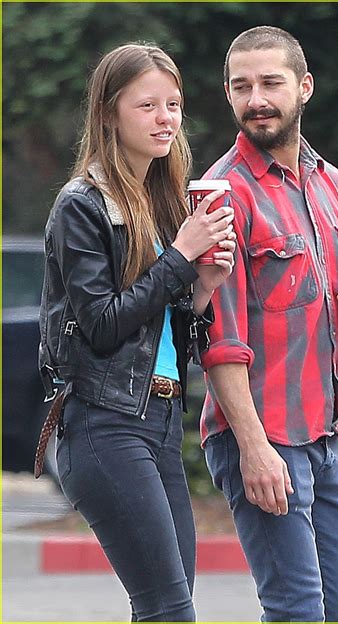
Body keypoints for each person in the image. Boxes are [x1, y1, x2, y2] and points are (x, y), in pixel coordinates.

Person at [199, 26, 338, 622]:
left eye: (270, 83)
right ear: (229, 96)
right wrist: (253, 449)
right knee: (297, 612)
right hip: (262, 437)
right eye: (242, 86)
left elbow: (334, 300)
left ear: (304, 88)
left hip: (326, 435)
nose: (256, 98)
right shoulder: (223, 194)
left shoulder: (334, 185)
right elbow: (221, 341)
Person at [36, 43, 235, 622]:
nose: (166, 117)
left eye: (173, 104)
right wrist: (179, 256)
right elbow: (100, 326)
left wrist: (202, 286)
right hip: (103, 424)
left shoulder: (163, 201)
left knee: (167, 608)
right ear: (108, 114)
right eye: (147, 105)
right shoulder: (82, 205)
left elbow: (167, 338)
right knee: (170, 611)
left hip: (160, 423)